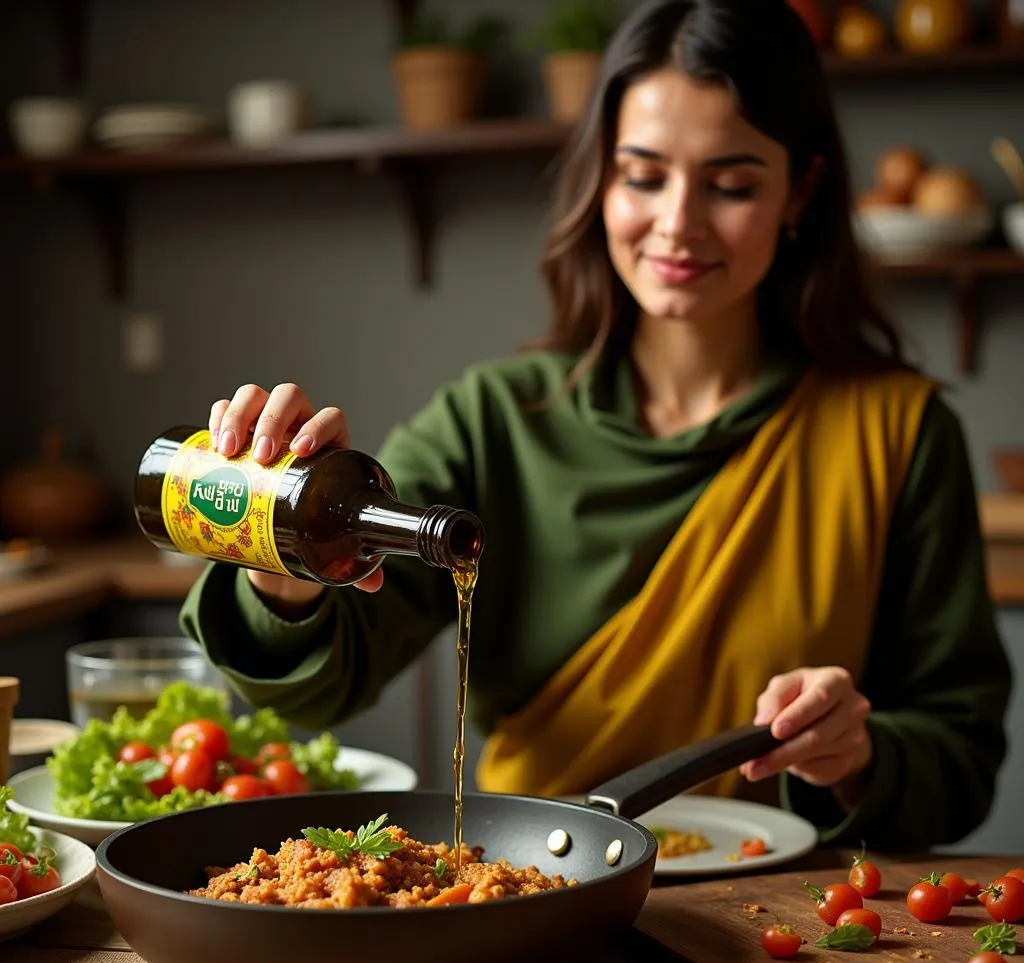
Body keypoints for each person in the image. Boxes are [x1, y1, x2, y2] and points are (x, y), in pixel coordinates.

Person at [179, 0, 1013, 851]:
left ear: (801, 189)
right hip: (524, 902)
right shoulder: (491, 421)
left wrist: (859, 754)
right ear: (601, 180)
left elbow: (963, 761)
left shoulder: (899, 435)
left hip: (790, 926)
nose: (678, 222)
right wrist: (281, 571)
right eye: (643, 175)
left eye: (730, 184)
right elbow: (321, 690)